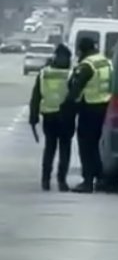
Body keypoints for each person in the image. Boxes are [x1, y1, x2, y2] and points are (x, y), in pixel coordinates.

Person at [62, 37, 113, 193]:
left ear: (81, 50)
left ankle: (88, 180)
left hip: (90, 108)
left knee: (86, 145)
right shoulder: (106, 61)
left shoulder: (87, 66)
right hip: (106, 107)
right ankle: (102, 178)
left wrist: (67, 109)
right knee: (97, 145)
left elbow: (74, 89)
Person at [28, 44, 75, 192]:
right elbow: (76, 96)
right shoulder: (71, 73)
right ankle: (62, 181)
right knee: (65, 150)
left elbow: (36, 96)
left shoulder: (44, 73)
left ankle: (45, 180)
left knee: (49, 148)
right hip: (66, 117)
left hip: (49, 116)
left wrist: (33, 116)